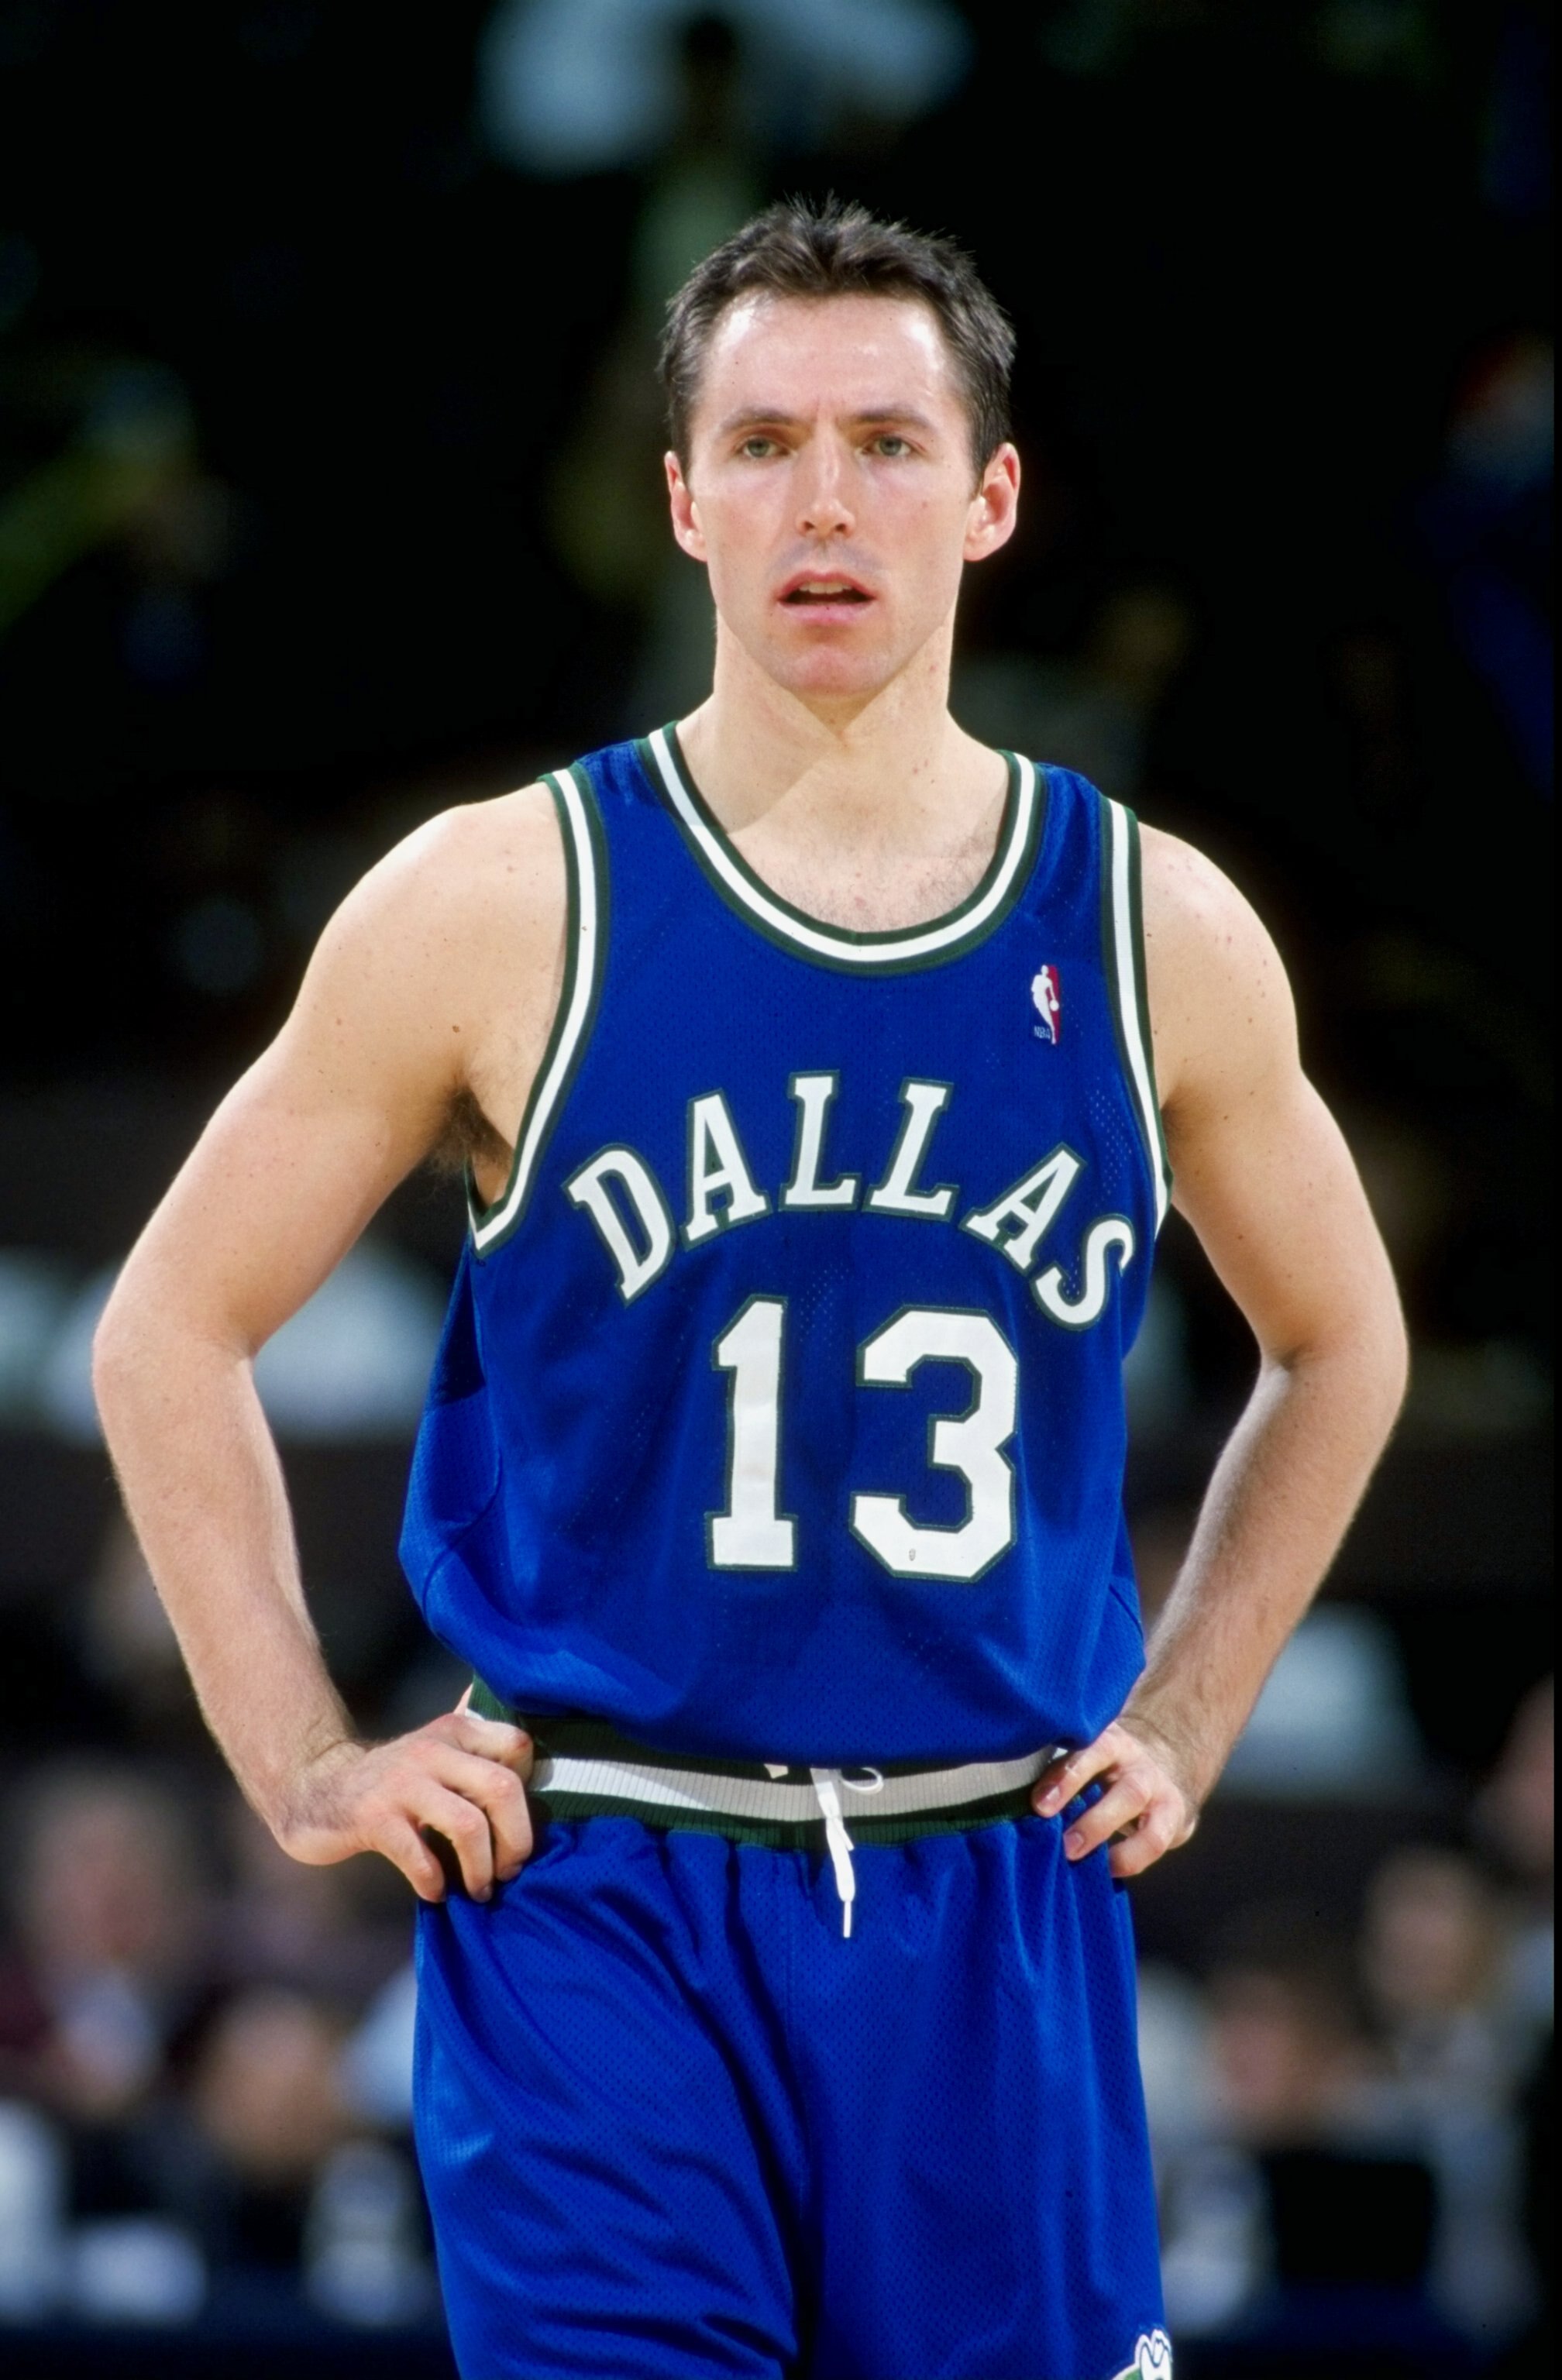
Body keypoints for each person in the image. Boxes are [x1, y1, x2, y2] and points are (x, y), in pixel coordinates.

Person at [92, 199, 1407, 2380]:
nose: (827, 499)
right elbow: (166, 1325)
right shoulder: (502, 897)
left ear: (990, 499)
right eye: (768, 440)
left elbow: (1345, 1338)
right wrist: (311, 1767)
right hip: (609, 1887)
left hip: (995, 1892)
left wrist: (1191, 1707)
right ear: (682, 497)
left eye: (890, 442)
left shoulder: (1156, 925)